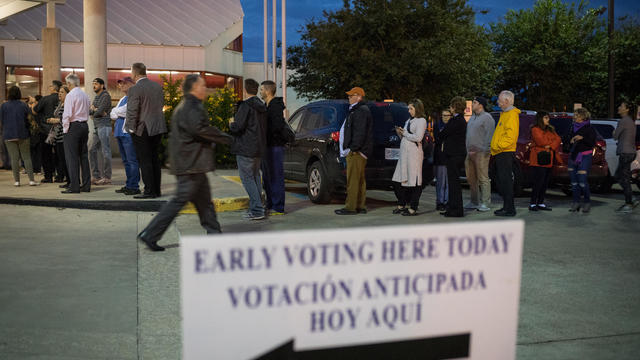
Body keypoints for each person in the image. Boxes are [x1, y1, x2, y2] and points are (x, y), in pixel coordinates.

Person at [137, 75, 233, 252]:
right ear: (194, 87)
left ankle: (215, 236)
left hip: (192, 163)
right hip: (191, 164)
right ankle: (150, 234)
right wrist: (227, 139)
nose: (206, 89)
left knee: (205, 203)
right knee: (178, 201)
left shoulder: (187, 105)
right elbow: (200, 129)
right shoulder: (191, 106)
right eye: (203, 86)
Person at [125, 62, 167, 199]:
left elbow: (132, 111)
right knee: (154, 159)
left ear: (135, 73)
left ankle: (149, 191)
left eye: (131, 72)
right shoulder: (157, 87)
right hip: (158, 127)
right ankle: (156, 191)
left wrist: (130, 129)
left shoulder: (135, 89)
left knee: (145, 160)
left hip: (142, 129)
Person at [229, 78, 268, 220]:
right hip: (258, 147)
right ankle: (258, 208)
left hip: (246, 147)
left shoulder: (245, 106)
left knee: (247, 178)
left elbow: (238, 127)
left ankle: (257, 210)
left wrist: (231, 123)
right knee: (256, 177)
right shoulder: (262, 106)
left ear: (245, 90)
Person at [335, 87, 373, 215]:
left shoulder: (360, 111)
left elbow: (359, 132)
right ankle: (360, 206)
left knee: (352, 180)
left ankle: (350, 207)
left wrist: (353, 149)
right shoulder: (359, 110)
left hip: (357, 152)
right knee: (360, 180)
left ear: (359, 97)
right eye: (349, 95)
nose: (349, 97)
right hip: (360, 151)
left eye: (352, 95)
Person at [392, 99, 427, 216]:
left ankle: (413, 207)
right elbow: (406, 137)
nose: (409, 110)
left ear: (417, 108)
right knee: (398, 180)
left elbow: (418, 138)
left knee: (415, 181)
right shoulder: (408, 120)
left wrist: (405, 133)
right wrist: (400, 133)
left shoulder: (421, 121)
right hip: (404, 154)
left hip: (414, 154)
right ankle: (401, 204)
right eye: (409, 108)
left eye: (411, 108)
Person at [259, 80, 287, 215]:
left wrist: (265, 133)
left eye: (261, 89)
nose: (260, 92)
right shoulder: (266, 105)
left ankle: (278, 207)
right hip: (266, 146)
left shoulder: (275, 106)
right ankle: (270, 204)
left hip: (275, 146)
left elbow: (277, 127)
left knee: (276, 176)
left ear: (268, 91)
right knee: (267, 177)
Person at [491, 90, 520, 217]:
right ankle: (507, 207)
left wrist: (498, 146)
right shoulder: (505, 114)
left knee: (506, 181)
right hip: (501, 152)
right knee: (502, 181)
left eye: (500, 100)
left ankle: (509, 209)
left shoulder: (511, 115)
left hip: (505, 152)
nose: (498, 102)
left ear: (507, 101)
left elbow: (510, 136)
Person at [61, 73, 91, 194]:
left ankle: (74, 186)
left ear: (69, 83)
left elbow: (67, 114)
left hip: (73, 127)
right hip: (84, 125)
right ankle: (86, 185)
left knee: (72, 157)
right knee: (83, 156)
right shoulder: (85, 94)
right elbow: (88, 110)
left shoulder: (70, 95)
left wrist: (65, 130)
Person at [1, 86, 37, 186]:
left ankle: (17, 181)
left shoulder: (4, 106)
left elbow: (2, 121)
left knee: (14, 158)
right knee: (26, 157)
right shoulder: (23, 105)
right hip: (23, 133)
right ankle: (31, 180)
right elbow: (29, 119)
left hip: (8, 134)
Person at [464, 96, 495, 212]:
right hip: (469, 153)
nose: (472, 104)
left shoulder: (487, 118)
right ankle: (474, 201)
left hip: (481, 153)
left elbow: (489, 136)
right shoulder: (472, 118)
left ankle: (485, 203)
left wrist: (485, 150)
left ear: (481, 105)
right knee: (471, 178)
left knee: (483, 178)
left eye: (474, 102)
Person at [110, 77, 140, 195]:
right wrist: (117, 112)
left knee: (132, 160)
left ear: (132, 84)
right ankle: (129, 184)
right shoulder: (122, 98)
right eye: (120, 84)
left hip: (127, 132)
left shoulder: (134, 97)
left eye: (124, 83)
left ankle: (134, 186)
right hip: (119, 132)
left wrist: (117, 112)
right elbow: (113, 114)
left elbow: (124, 111)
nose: (121, 86)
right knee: (126, 161)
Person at [439, 96, 468, 217]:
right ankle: (452, 208)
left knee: (454, 183)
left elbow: (444, 133)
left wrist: (442, 133)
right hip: (454, 154)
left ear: (455, 107)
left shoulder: (457, 120)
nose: (450, 108)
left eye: (451, 106)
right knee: (453, 183)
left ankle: (456, 210)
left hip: (455, 155)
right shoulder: (458, 120)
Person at [528, 111, 561, 211]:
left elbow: (558, 139)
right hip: (538, 159)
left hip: (548, 159)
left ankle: (541, 203)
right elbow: (541, 141)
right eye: (546, 118)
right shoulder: (535, 129)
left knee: (545, 182)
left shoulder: (550, 129)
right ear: (540, 119)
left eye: (548, 118)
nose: (548, 119)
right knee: (538, 182)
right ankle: (533, 203)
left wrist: (549, 145)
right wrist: (550, 143)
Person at [567, 107, 597, 213]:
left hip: (585, 156)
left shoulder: (589, 128)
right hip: (573, 156)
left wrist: (582, 138)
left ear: (583, 117)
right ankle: (576, 202)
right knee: (574, 182)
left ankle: (587, 202)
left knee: (582, 181)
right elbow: (566, 141)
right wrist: (570, 140)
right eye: (574, 115)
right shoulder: (572, 127)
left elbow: (592, 143)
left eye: (576, 115)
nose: (574, 117)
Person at [33, 80, 61, 183]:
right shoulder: (62, 99)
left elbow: (35, 110)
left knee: (46, 154)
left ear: (53, 88)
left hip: (45, 130)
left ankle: (48, 176)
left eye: (50, 86)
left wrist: (33, 104)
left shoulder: (45, 99)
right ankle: (60, 176)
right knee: (59, 154)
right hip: (59, 130)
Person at [613, 101, 637, 213]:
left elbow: (615, 136)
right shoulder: (631, 121)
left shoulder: (624, 121)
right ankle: (631, 198)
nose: (619, 107)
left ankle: (629, 203)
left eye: (621, 106)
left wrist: (614, 132)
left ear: (626, 109)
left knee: (623, 177)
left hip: (625, 152)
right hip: (630, 152)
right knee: (619, 175)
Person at [88, 78, 113, 185]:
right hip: (97, 127)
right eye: (93, 84)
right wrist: (95, 110)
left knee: (105, 152)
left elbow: (99, 111)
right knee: (91, 150)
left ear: (102, 85)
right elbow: (90, 111)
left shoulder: (106, 96)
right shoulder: (97, 97)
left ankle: (107, 177)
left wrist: (95, 110)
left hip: (104, 126)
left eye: (96, 84)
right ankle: (96, 176)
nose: (94, 86)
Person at [46, 86, 70, 188]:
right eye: (59, 92)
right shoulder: (60, 104)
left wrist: (55, 120)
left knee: (65, 159)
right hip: (57, 134)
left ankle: (70, 180)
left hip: (64, 134)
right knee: (61, 159)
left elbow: (65, 118)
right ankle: (67, 180)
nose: (59, 94)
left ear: (67, 94)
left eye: (62, 92)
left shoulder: (68, 104)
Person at [433, 110, 450, 211]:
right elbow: (438, 138)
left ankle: (447, 201)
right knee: (440, 181)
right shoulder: (437, 125)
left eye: (448, 115)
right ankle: (440, 202)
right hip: (440, 156)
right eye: (443, 115)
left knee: (448, 182)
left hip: (449, 156)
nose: (445, 117)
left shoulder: (452, 125)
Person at [27, 95, 43, 175]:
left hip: (34, 133)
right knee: (36, 152)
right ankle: (37, 169)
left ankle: (35, 169)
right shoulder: (38, 110)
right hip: (37, 132)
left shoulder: (34, 110)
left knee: (34, 152)